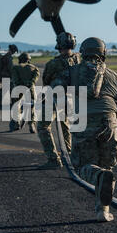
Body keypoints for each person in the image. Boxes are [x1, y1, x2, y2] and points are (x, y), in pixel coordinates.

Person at [69, 37, 117, 222]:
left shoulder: (72, 72)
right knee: (106, 166)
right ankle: (103, 211)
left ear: (82, 53)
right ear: (104, 54)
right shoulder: (115, 77)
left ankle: (99, 178)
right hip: (109, 121)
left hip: (82, 120)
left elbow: (54, 91)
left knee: (83, 166)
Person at [37, 32, 81, 169]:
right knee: (65, 126)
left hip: (54, 98)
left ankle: (53, 159)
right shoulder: (79, 60)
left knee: (43, 126)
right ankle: (67, 156)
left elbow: (46, 80)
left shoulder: (53, 63)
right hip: (71, 99)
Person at [9, 52, 40, 133]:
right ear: (28, 60)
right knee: (32, 107)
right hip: (30, 89)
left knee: (16, 105)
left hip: (18, 89)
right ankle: (32, 125)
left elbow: (15, 80)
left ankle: (17, 123)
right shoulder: (34, 68)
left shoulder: (16, 68)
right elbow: (35, 80)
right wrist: (29, 84)